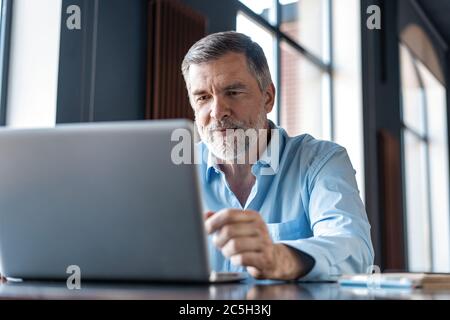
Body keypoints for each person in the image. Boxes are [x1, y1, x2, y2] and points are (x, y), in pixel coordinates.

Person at [181, 31, 374, 281]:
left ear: (268, 98)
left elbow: (354, 252)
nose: (218, 112)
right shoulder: (176, 172)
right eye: (203, 97)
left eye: (233, 92)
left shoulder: (321, 161)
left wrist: (280, 258)